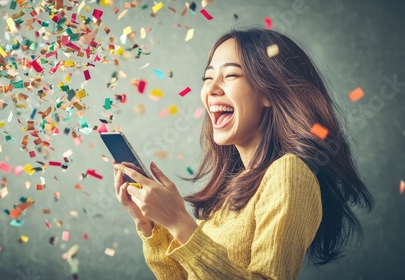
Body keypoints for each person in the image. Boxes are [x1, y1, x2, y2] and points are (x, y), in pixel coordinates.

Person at [112, 27, 374, 280]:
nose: (211, 89)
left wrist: (180, 222)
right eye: (208, 78)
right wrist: (151, 226)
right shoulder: (234, 189)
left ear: (269, 92)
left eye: (231, 76)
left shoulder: (289, 173)